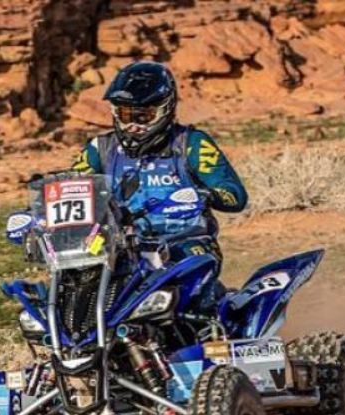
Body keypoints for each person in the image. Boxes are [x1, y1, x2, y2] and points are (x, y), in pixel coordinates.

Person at [72, 61, 247, 311]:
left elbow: (235, 196)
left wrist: (205, 195)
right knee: (77, 278)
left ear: (166, 110)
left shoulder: (191, 144)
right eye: (125, 115)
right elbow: (71, 187)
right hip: (117, 246)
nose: (133, 126)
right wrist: (40, 211)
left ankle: (211, 327)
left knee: (182, 275)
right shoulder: (100, 149)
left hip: (184, 241)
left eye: (143, 116)